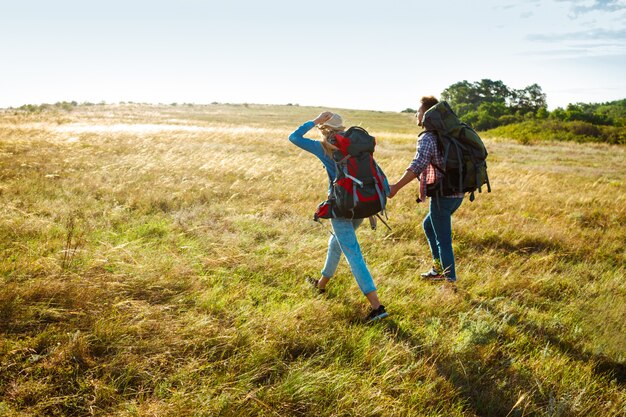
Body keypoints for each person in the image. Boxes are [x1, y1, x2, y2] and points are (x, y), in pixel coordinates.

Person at [288, 111, 388, 322]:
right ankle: (321, 285)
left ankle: (377, 307)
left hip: (342, 206)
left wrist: (315, 121)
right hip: (362, 203)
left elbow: (294, 137)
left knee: (353, 253)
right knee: (336, 243)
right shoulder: (357, 146)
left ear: (324, 129)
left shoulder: (324, 148)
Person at [388, 96, 464, 287]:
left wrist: (396, 186)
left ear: (428, 115)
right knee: (429, 226)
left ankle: (449, 280)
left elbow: (418, 165)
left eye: (419, 110)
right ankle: (438, 270)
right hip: (458, 193)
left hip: (442, 195)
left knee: (443, 240)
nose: (417, 114)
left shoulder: (428, 137)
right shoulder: (449, 134)